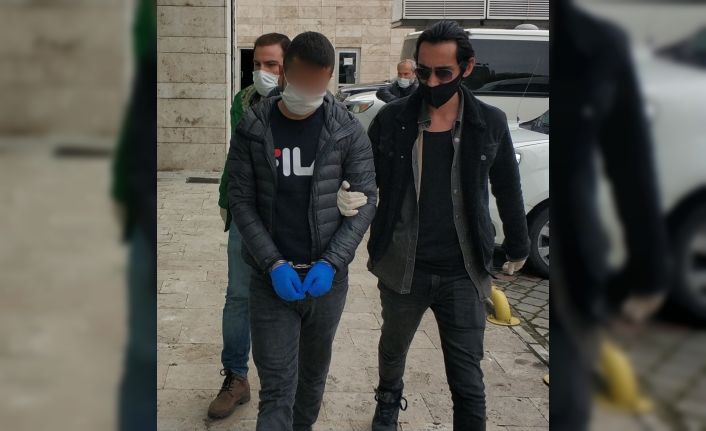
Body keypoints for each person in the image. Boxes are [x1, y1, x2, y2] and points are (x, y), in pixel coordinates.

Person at [365, 21, 530, 430]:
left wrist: (519, 245)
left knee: (468, 378)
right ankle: (388, 400)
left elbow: (507, 186)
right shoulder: (393, 118)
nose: (432, 82)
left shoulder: (488, 122)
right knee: (392, 350)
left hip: (464, 270)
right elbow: (366, 179)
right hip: (403, 266)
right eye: (423, 72)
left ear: (467, 68)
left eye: (443, 73)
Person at [227, 31, 377, 431]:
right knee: (277, 389)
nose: (310, 91)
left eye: (319, 82)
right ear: (285, 74)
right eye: (302, 81)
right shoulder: (254, 127)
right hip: (271, 281)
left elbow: (366, 201)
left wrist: (332, 261)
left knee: (311, 381)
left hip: (325, 283)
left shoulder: (347, 130)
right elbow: (241, 200)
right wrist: (272, 263)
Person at [551, 1, 669, 429]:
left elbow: (632, 160)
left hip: (575, 266)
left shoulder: (599, 44)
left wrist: (650, 270)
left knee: (568, 403)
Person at [208, 32, 290, 420]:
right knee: (239, 295)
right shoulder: (243, 101)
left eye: (272, 64)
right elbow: (235, 157)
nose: (262, 71)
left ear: (289, 66)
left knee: (287, 298)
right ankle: (236, 377)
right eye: (257, 64)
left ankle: (285, 383)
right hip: (245, 212)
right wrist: (226, 198)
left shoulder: (306, 102)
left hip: (288, 217)